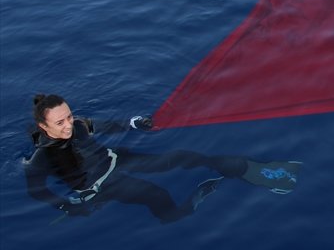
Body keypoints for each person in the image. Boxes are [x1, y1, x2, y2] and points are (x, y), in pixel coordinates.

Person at [24, 94, 301, 224]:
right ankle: (177, 215)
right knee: (155, 194)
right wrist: (66, 207)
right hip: (97, 186)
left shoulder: (80, 125)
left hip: (116, 160)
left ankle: (244, 169)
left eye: (69, 117)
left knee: (181, 156)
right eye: (60, 122)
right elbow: (37, 190)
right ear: (43, 127)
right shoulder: (42, 158)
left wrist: (134, 123)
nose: (69, 125)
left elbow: (106, 125)